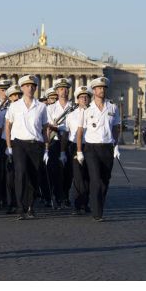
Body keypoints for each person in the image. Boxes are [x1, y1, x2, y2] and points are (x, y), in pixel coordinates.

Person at [5, 75, 50, 220]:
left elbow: (45, 128)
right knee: (21, 173)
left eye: (32, 86)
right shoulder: (14, 105)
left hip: (36, 144)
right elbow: (8, 125)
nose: (30, 88)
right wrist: (8, 145)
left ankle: (30, 206)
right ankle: (20, 207)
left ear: (36, 88)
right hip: (19, 144)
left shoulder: (42, 107)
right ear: (22, 88)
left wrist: (46, 148)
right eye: (27, 86)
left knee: (34, 176)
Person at [76, 77, 121, 222]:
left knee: (105, 181)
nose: (102, 90)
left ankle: (98, 204)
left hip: (107, 147)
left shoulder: (113, 107)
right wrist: (79, 151)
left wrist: (116, 145)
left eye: (104, 88)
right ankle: (97, 212)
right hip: (91, 148)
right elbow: (80, 132)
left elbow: (116, 127)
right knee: (95, 180)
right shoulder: (87, 110)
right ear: (94, 91)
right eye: (99, 88)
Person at [0, 84, 22, 213]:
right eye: (14, 96)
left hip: (19, 143)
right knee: (4, 174)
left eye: (19, 95)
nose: (17, 98)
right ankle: (3, 200)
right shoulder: (4, 112)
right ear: (9, 98)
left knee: (16, 174)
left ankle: (15, 201)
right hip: (4, 143)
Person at [46, 78, 74, 208]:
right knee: (55, 171)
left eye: (66, 88)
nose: (64, 91)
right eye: (61, 89)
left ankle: (66, 193)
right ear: (57, 91)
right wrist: (46, 146)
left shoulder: (74, 108)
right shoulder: (50, 108)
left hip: (70, 142)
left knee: (69, 171)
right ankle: (58, 196)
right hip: (55, 142)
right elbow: (47, 127)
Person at [66, 85, 92, 215]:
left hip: (90, 147)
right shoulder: (71, 116)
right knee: (77, 177)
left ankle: (85, 203)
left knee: (88, 177)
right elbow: (67, 132)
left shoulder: (94, 113)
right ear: (77, 100)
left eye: (87, 97)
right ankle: (77, 205)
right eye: (81, 97)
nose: (84, 99)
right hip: (75, 147)